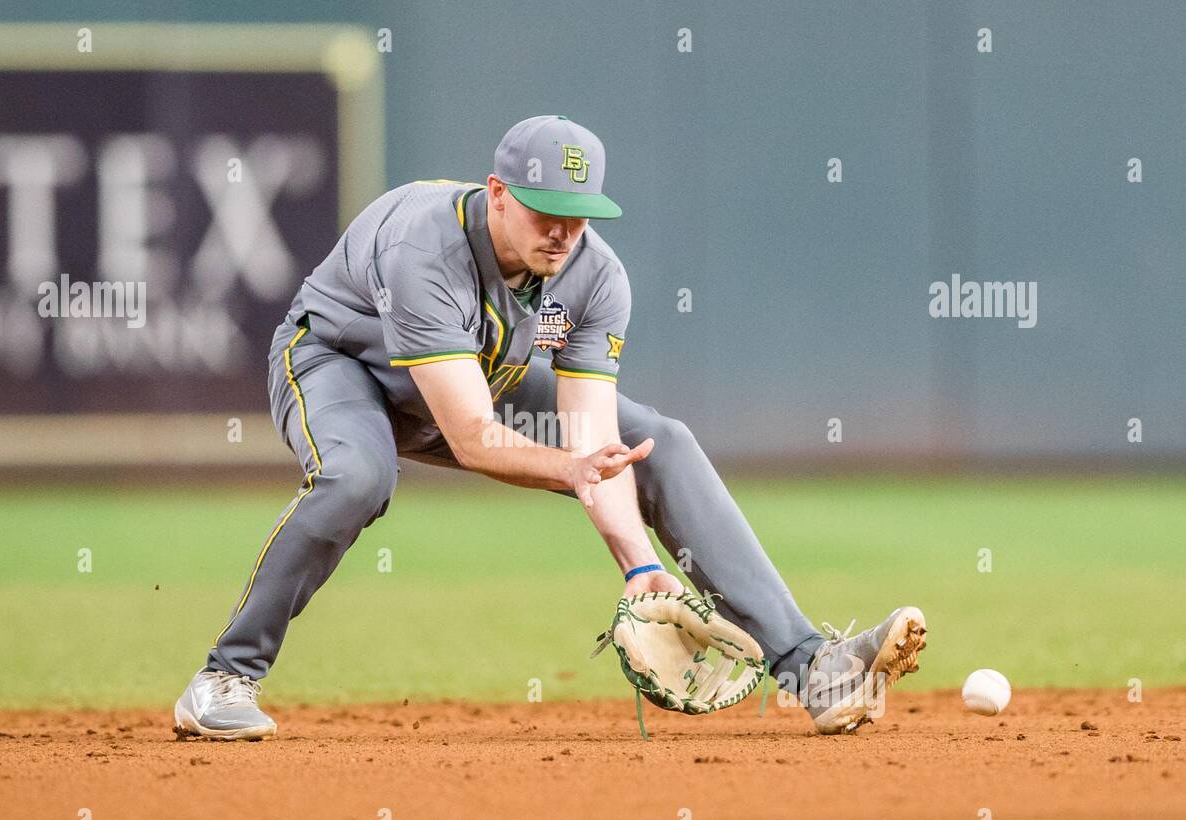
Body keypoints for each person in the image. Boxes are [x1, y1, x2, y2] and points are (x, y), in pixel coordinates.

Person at [174, 115, 926, 741]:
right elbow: (471, 435)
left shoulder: (594, 276)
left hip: (480, 373)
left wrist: (638, 567)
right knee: (358, 475)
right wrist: (568, 467)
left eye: (579, 214)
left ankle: (811, 667)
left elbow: (596, 443)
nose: (564, 231)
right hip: (341, 366)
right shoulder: (423, 247)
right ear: (497, 194)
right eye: (544, 210)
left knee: (662, 443)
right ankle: (224, 676)